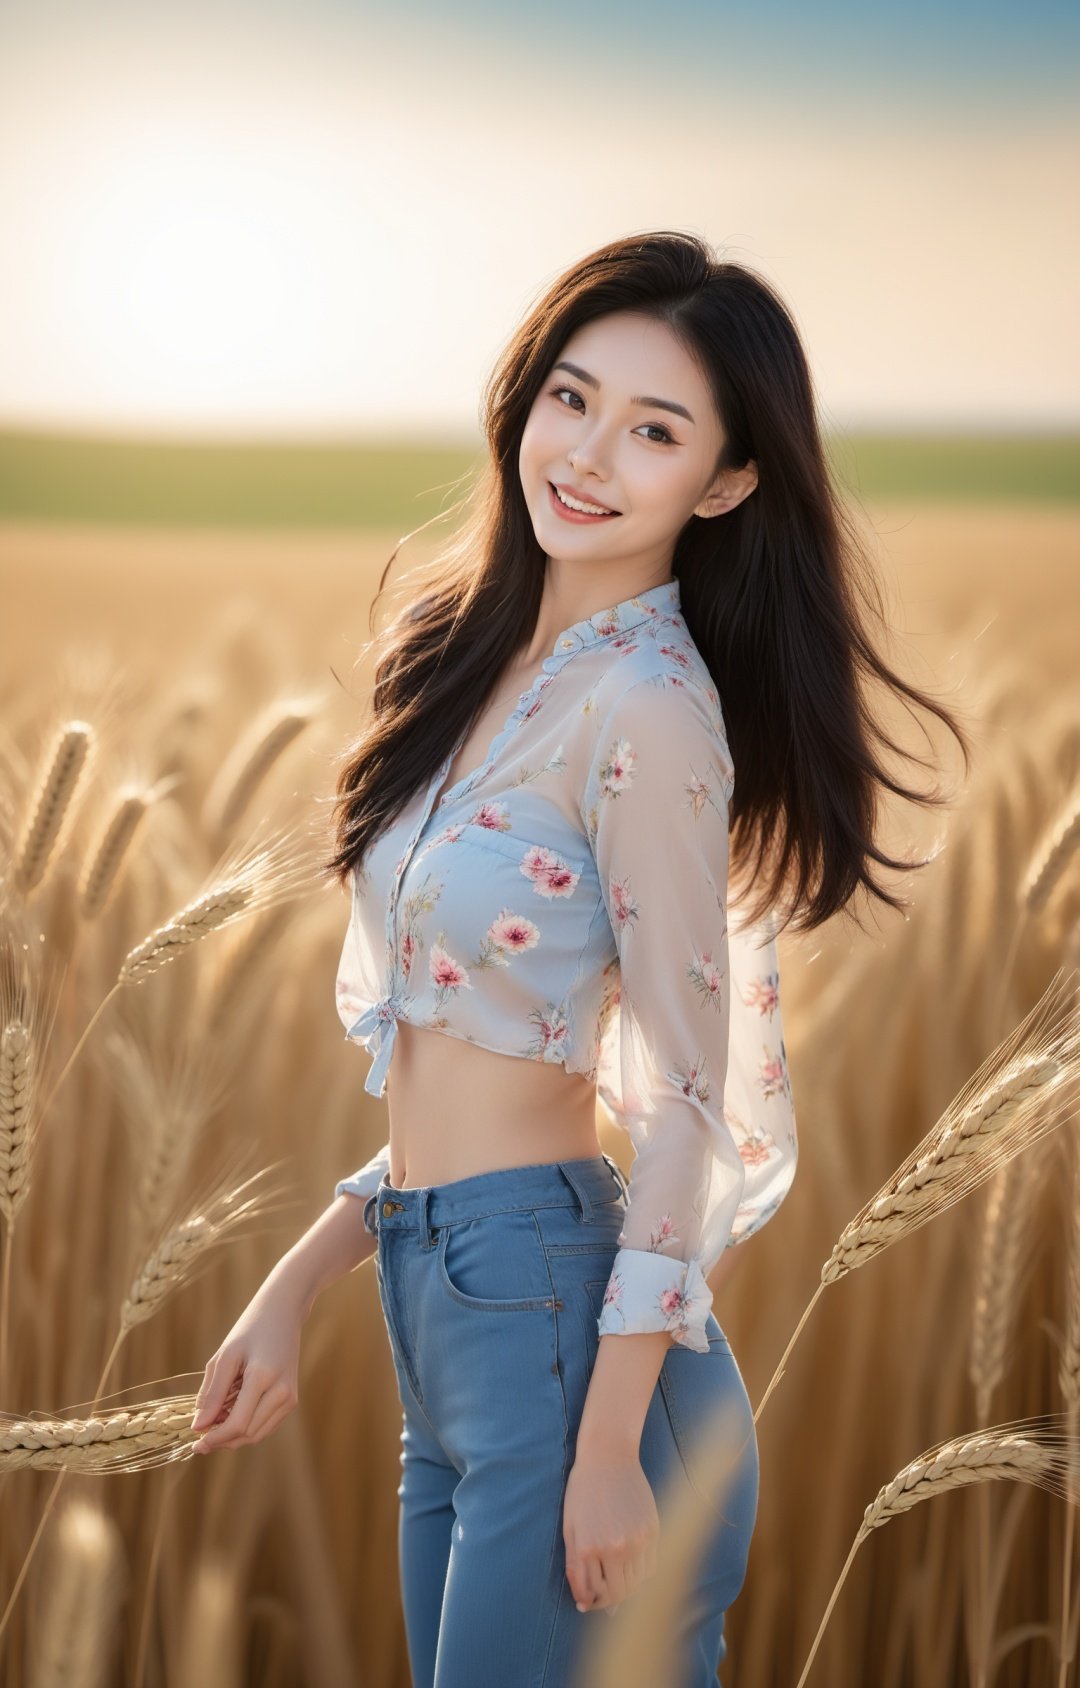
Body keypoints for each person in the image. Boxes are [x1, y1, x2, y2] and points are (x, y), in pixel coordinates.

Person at [189, 230, 971, 1686]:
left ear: (728, 482)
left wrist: (609, 1445)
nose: (591, 453)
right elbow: (465, 1071)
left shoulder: (651, 709)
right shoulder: (469, 664)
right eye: (572, 396)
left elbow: (678, 1095)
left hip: (561, 1331)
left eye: (656, 430)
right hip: (450, 1299)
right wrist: (294, 1281)